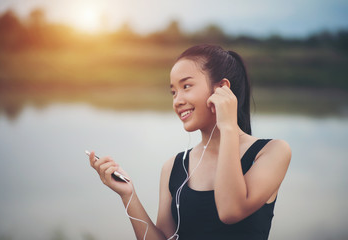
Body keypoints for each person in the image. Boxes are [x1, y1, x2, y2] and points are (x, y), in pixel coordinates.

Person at [88, 44, 291, 240]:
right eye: (174, 92)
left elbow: (230, 211)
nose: (177, 100)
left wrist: (228, 127)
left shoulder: (272, 152)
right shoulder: (173, 167)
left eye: (186, 86)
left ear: (222, 88)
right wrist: (128, 195)